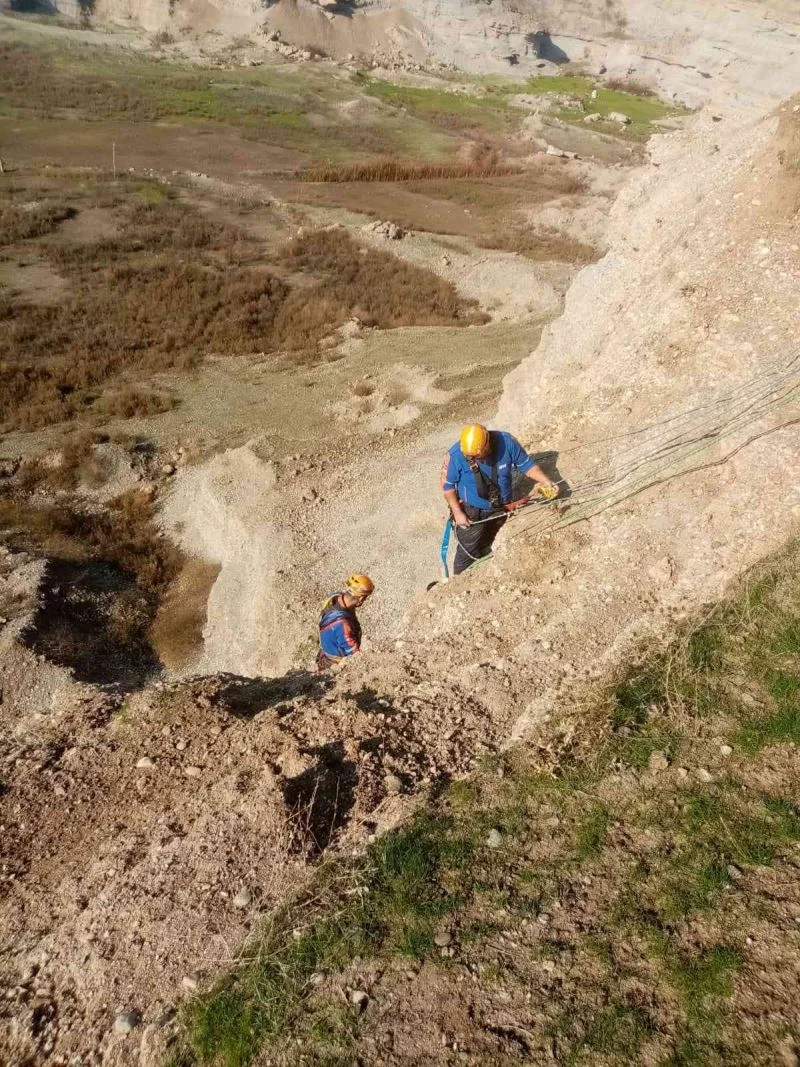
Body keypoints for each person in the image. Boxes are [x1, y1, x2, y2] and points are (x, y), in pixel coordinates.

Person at [441, 423, 557, 575]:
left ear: (487, 443)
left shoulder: (506, 442)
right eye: (472, 457)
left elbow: (527, 466)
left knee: (490, 538)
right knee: (467, 549)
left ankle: (484, 561)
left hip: (501, 506)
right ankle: (459, 579)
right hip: (472, 511)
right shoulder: (457, 455)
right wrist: (457, 512)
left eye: (478, 456)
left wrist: (546, 481)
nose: (475, 459)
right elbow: (448, 487)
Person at [317, 573, 375, 671]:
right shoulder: (343, 624)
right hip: (334, 663)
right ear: (361, 598)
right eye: (365, 597)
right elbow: (354, 653)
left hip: (327, 649)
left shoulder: (334, 598)